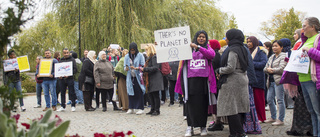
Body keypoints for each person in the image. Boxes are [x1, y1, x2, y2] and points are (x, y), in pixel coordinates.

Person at [175, 30, 216, 136]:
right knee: (190, 104)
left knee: (203, 104)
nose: (201, 38)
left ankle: (203, 127)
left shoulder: (207, 48)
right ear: (195, 38)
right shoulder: (188, 49)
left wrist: (198, 48)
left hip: (203, 81)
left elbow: (211, 55)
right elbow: (173, 52)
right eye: (199, 37)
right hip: (190, 81)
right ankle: (190, 127)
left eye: (203, 37)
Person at [216, 29, 249, 137]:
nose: (226, 39)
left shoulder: (232, 50)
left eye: (227, 37)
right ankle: (235, 133)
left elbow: (230, 67)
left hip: (232, 81)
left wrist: (219, 70)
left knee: (231, 108)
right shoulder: (243, 48)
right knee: (238, 108)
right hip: (242, 79)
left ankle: (239, 132)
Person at [286, 28, 313, 136]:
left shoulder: (308, 43)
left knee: (308, 106)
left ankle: (308, 128)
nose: (294, 36)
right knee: (301, 104)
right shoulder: (300, 44)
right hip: (300, 78)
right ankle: (301, 128)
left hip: (307, 77)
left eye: (295, 34)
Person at [299, 17, 320, 137]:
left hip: (313, 80)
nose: (302, 29)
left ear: (313, 27)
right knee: (311, 111)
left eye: (304, 25)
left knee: (318, 112)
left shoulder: (318, 38)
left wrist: (310, 50)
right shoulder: (306, 40)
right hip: (303, 79)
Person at [263, 40, 287, 126]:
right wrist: (268, 70)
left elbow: (282, 69)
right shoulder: (271, 57)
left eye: (276, 46)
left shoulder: (284, 56)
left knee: (280, 100)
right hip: (270, 81)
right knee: (269, 99)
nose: (274, 48)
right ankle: (273, 117)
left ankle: (280, 119)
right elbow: (265, 68)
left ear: (281, 47)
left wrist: (271, 70)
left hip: (279, 81)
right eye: (273, 46)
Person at [247, 36, 267, 122]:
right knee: (252, 100)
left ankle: (261, 117)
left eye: (250, 41)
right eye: (247, 41)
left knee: (259, 99)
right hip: (249, 78)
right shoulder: (247, 52)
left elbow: (263, 64)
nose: (248, 43)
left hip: (258, 78)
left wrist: (250, 64)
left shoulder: (261, 52)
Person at [141, 44, 163, 116]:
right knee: (151, 94)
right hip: (151, 78)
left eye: (147, 50)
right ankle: (152, 109)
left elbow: (155, 68)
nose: (146, 51)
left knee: (155, 95)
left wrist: (144, 69)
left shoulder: (154, 57)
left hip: (155, 78)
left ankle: (157, 110)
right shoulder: (150, 58)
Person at [124, 42, 146, 115]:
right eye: (131, 50)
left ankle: (140, 108)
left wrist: (136, 68)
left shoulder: (140, 55)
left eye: (133, 50)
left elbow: (143, 65)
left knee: (139, 91)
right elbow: (124, 66)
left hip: (138, 76)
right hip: (130, 76)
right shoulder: (127, 56)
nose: (132, 52)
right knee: (130, 92)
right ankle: (131, 107)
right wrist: (126, 68)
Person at [207, 39, 221, 131]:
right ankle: (216, 121)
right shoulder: (216, 54)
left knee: (215, 101)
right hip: (213, 80)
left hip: (214, 81)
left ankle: (218, 122)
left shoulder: (215, 55)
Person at [279, 38, 295, 109]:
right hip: (285, 71)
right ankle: (287, 103)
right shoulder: (283, 52)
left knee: (288, 88)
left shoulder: (289, 52)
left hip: (289, 71)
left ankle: (290, 103)